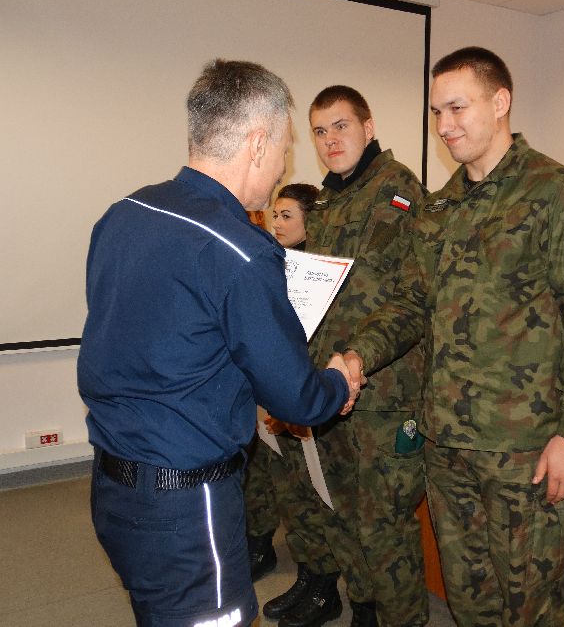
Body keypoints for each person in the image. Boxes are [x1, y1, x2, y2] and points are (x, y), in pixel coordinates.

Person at [340, 47, 564, 626]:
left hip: (527, 450)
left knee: (531, 608)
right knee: (471, 605)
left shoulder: (558, 194)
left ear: (500, 102)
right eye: (436, 112)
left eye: (458, 108)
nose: (445, 126)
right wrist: (355, 355)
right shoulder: (440, 208)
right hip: (448, 448)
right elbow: (411, 304)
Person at [77, 59, 358, 627]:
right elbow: (296, 399)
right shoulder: (241, 252)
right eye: (284, 147)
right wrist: (339, 381)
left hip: (113, 487)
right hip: (187, 506)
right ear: (256, 143)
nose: (284, 165)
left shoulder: (125, 214)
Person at [262, 86, 427, 627]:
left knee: (386, 523)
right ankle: (365, 608)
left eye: (341, 126)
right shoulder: (329, 202)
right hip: (332, 386)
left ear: (368, 127)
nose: (331, 140)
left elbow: (409, 299)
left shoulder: (398, 192)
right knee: (343, 511)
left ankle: (401, 618)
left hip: (384, 389)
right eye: (319, 131)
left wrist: (353, 359)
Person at [244, 183, 320, 581]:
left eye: (286, 216)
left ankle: (316, 577)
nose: (276, 223)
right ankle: (260, 546)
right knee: (263, 475)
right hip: (266, 388)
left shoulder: (320, 272)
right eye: (275, 214)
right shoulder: (272, 260)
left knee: (303, 491)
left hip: (298, 392)